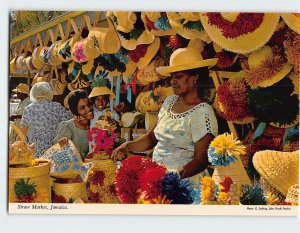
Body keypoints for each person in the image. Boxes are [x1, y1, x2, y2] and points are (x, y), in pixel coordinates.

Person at [112, 39, 218, 182]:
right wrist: (128, 146)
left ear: (195, 77)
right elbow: (151, 138)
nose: (173, 80)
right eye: (172, 76)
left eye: (179, 76)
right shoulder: (169, 102)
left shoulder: (203, 112)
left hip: (184, 183)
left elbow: (200, 161)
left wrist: (173, 177)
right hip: (156, 176)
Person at [20, 82, 71, 157]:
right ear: (49, 92)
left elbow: (22, 134)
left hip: (35, 150)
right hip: (54, 149)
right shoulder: (56, 107)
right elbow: (69, 120)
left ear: (33, 93)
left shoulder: (28, 109)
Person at [54, 89, 94, 158]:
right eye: (82, 108)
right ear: (75, 111)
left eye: (89, 104)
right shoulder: (67, 127)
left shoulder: (96, 123)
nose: (88, 109)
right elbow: (59, 152)